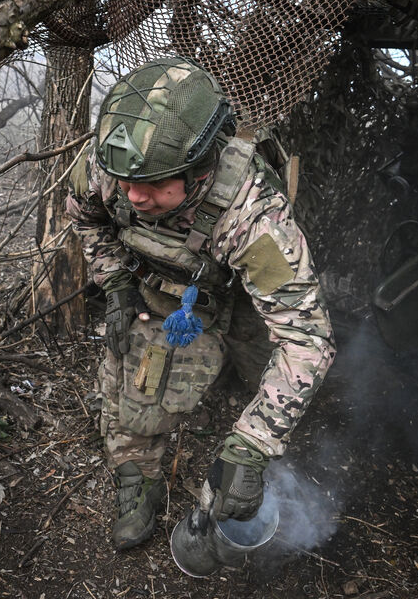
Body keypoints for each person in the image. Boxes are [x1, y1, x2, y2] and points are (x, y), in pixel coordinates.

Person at [66, 56, 336, 550]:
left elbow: (306, 338)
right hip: (167, 293)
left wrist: (252, 445)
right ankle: (140, 480)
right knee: (140, 391)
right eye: (126, 184)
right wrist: (116, 283)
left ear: (198, 170)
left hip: (247, 298)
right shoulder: (115, 162)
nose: (134, 197)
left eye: (153, 185)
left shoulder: (253, 215)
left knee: (271, 380)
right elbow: (86, 219)